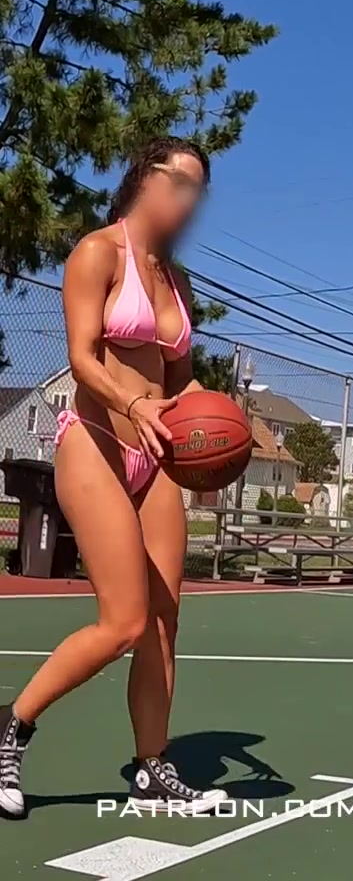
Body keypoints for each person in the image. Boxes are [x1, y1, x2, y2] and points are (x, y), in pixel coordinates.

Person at [0, 138, 227, 819]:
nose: (190, 201)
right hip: (97, 442)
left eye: (200, 191)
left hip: (156, 459)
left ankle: (153, 768)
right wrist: (131, 405)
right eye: (180, 183)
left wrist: (212, 434)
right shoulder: (100, 252)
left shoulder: (178, 282)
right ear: (144, 180)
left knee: (164, 624)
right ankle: (12, 728)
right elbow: (80, 357)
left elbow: (178, 386)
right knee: (124, 621)